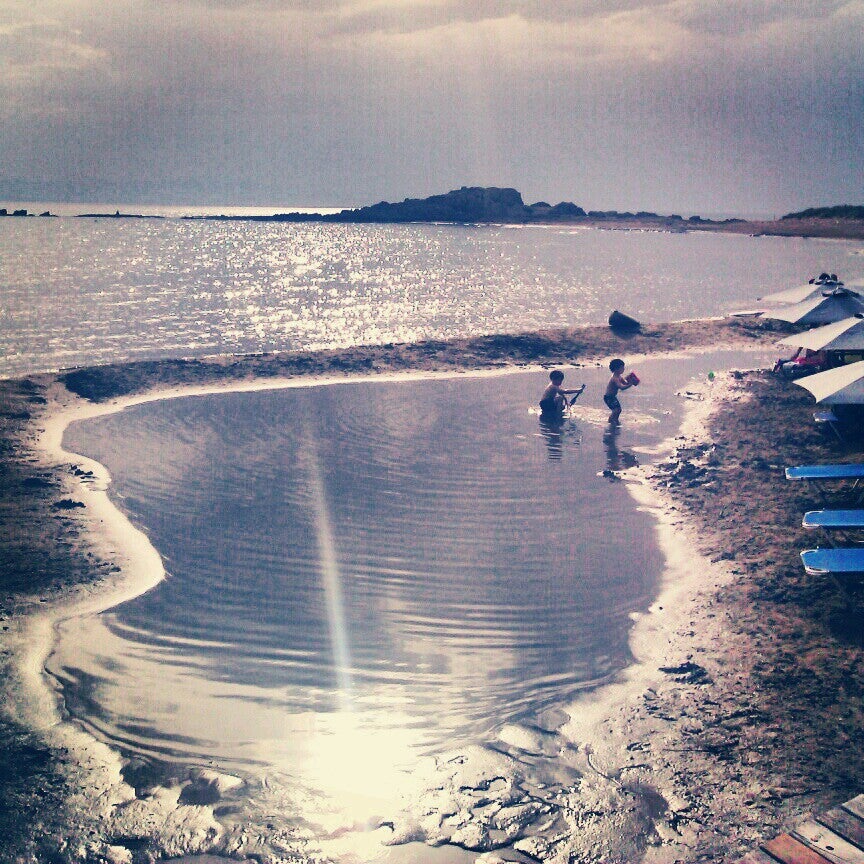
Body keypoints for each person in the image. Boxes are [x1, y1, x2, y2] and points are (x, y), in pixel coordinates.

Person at [604, 358, 634, 424]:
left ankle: (615, 421)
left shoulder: (619, 376)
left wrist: (630, 379)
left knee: (618, 410)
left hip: (613, 397)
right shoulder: (615, 378)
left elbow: (625, 383)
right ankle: (610, 422)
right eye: (622, 368)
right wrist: (631, 384)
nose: (623, 369)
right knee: (615, 410)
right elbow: (621, 387)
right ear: (616, 369)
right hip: (608, 397)